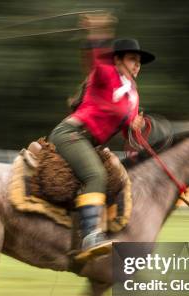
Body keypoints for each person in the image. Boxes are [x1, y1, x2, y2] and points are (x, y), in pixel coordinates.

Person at [48, 13, 155, 262]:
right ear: (117, 61)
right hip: (72, 134)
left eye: (139, 61)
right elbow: (96, 58)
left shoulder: (133, 95)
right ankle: (90, 235)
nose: (137, 65)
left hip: (89, 143)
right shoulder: (106, 74)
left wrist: (135, 127)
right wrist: (98, 30)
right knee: (96, 175)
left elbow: (128, 133)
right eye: (132, 59)